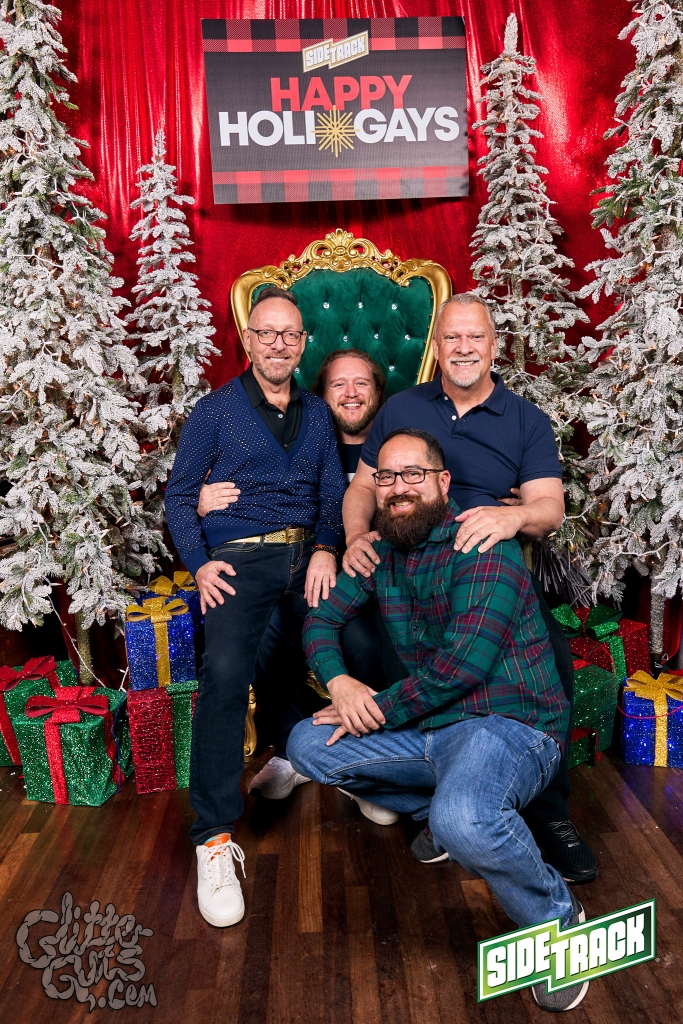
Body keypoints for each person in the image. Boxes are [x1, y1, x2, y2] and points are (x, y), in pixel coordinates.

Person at [287, 428, 589, 1014]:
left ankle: (557, 922)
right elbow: (320, 620)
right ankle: (441, 808)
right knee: (307, 743)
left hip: (509, 724)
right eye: (386, 477)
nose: (399, 488)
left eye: (414, 475)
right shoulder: (380, 552)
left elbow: (459, 669)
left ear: (442, 482)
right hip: (433, 726)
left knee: (465, 820)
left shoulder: (483, 543)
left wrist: (374, 710)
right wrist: (340, 683)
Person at [341, 292, 597, 884]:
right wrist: (354, 536)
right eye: (451, 337)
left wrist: (512, 516)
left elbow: (550, 507)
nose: (463, 348)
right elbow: (362, 487)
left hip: (487, 569)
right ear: (436, 347)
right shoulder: (403, 407)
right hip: (407, 569)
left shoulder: (525, 420)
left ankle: (549, 812)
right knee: (381, 652)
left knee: (553, 661)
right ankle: (438, 799)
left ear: (493, 345)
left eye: (474, 337)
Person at [165, 285, 345, 929]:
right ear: (248, 340)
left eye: (290, 334)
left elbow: (333, 491)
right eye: (267, 333)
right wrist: (199, 561)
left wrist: (326, 547)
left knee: (349, 638)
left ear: (303, 343)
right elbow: (179, 496)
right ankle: (213, 836)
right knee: (224, 674)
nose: (279, 344)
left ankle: (315, 763)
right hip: (241, 558)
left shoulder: (318, 414)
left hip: (308, 557)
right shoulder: (215, 411)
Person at [196, 349, 398, 820]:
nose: (350, 394)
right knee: (268, 631)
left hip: (372, 577)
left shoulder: (395, 447)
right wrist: (203, 499)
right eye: (338, 385)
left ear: (379, 392)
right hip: (301, 566)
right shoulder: (298, 437)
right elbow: (250, 495)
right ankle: (292, 748)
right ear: (320, 395)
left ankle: (365, 762)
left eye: (362, 383)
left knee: (363, 640)